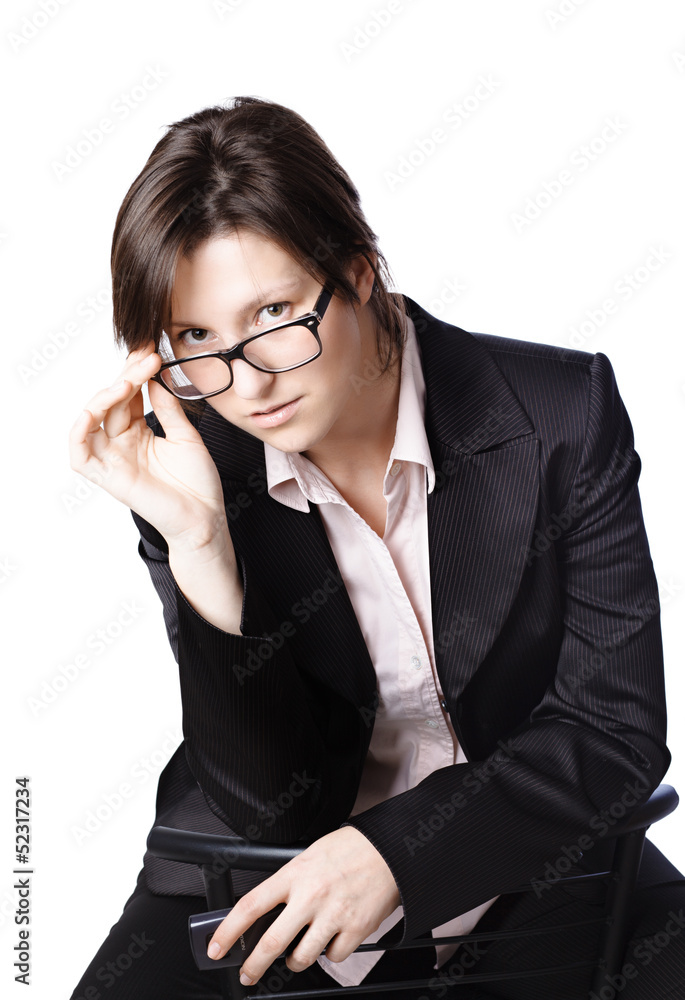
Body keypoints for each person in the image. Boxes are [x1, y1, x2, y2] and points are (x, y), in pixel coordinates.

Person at [68, 96, 683, 1000]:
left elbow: (612, 730)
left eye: (274, 314)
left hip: (527, 855)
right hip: (259, 866)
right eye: (197, 339)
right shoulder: (198, 460)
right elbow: (266, 799)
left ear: (356, 273)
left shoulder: (558, 412)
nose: (243, 382)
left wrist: (395, 855)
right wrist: (197, 541)